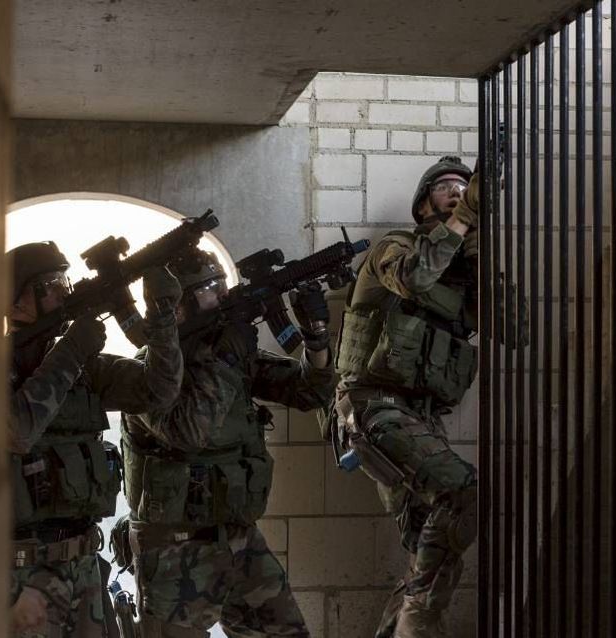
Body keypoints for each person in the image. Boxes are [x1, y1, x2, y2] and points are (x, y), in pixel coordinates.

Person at [121, 249, 335, 637]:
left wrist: (316, 337)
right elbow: (187, 433)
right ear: (180, 304)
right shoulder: (145, 371)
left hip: (240, 538)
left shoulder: (228, 355)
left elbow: (309, 393)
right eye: (209, 287)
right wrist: (228, 360)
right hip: (177, 550)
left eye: (223, 284)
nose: (222, 294)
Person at [333, 156, 480, 638]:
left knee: (429, 545)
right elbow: (414, 278)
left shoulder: (464, 266)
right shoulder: (394, 246)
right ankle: (419, 625)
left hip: (420, 417)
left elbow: (516, 327)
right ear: (423, 204)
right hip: (374, 405)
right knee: (462, 493)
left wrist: (482, 255)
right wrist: (464, 219)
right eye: (445, 187)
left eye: (465, 186)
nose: (456, 191)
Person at [7, 240, 184, 638]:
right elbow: (15, 430)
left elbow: (159, 390)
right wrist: (72, 349)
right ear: (16, 302)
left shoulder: (83, 368)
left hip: (85, 567)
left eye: (64, 281)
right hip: (20, 578)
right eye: (50, 284)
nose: (64, 292)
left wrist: (162, 315)